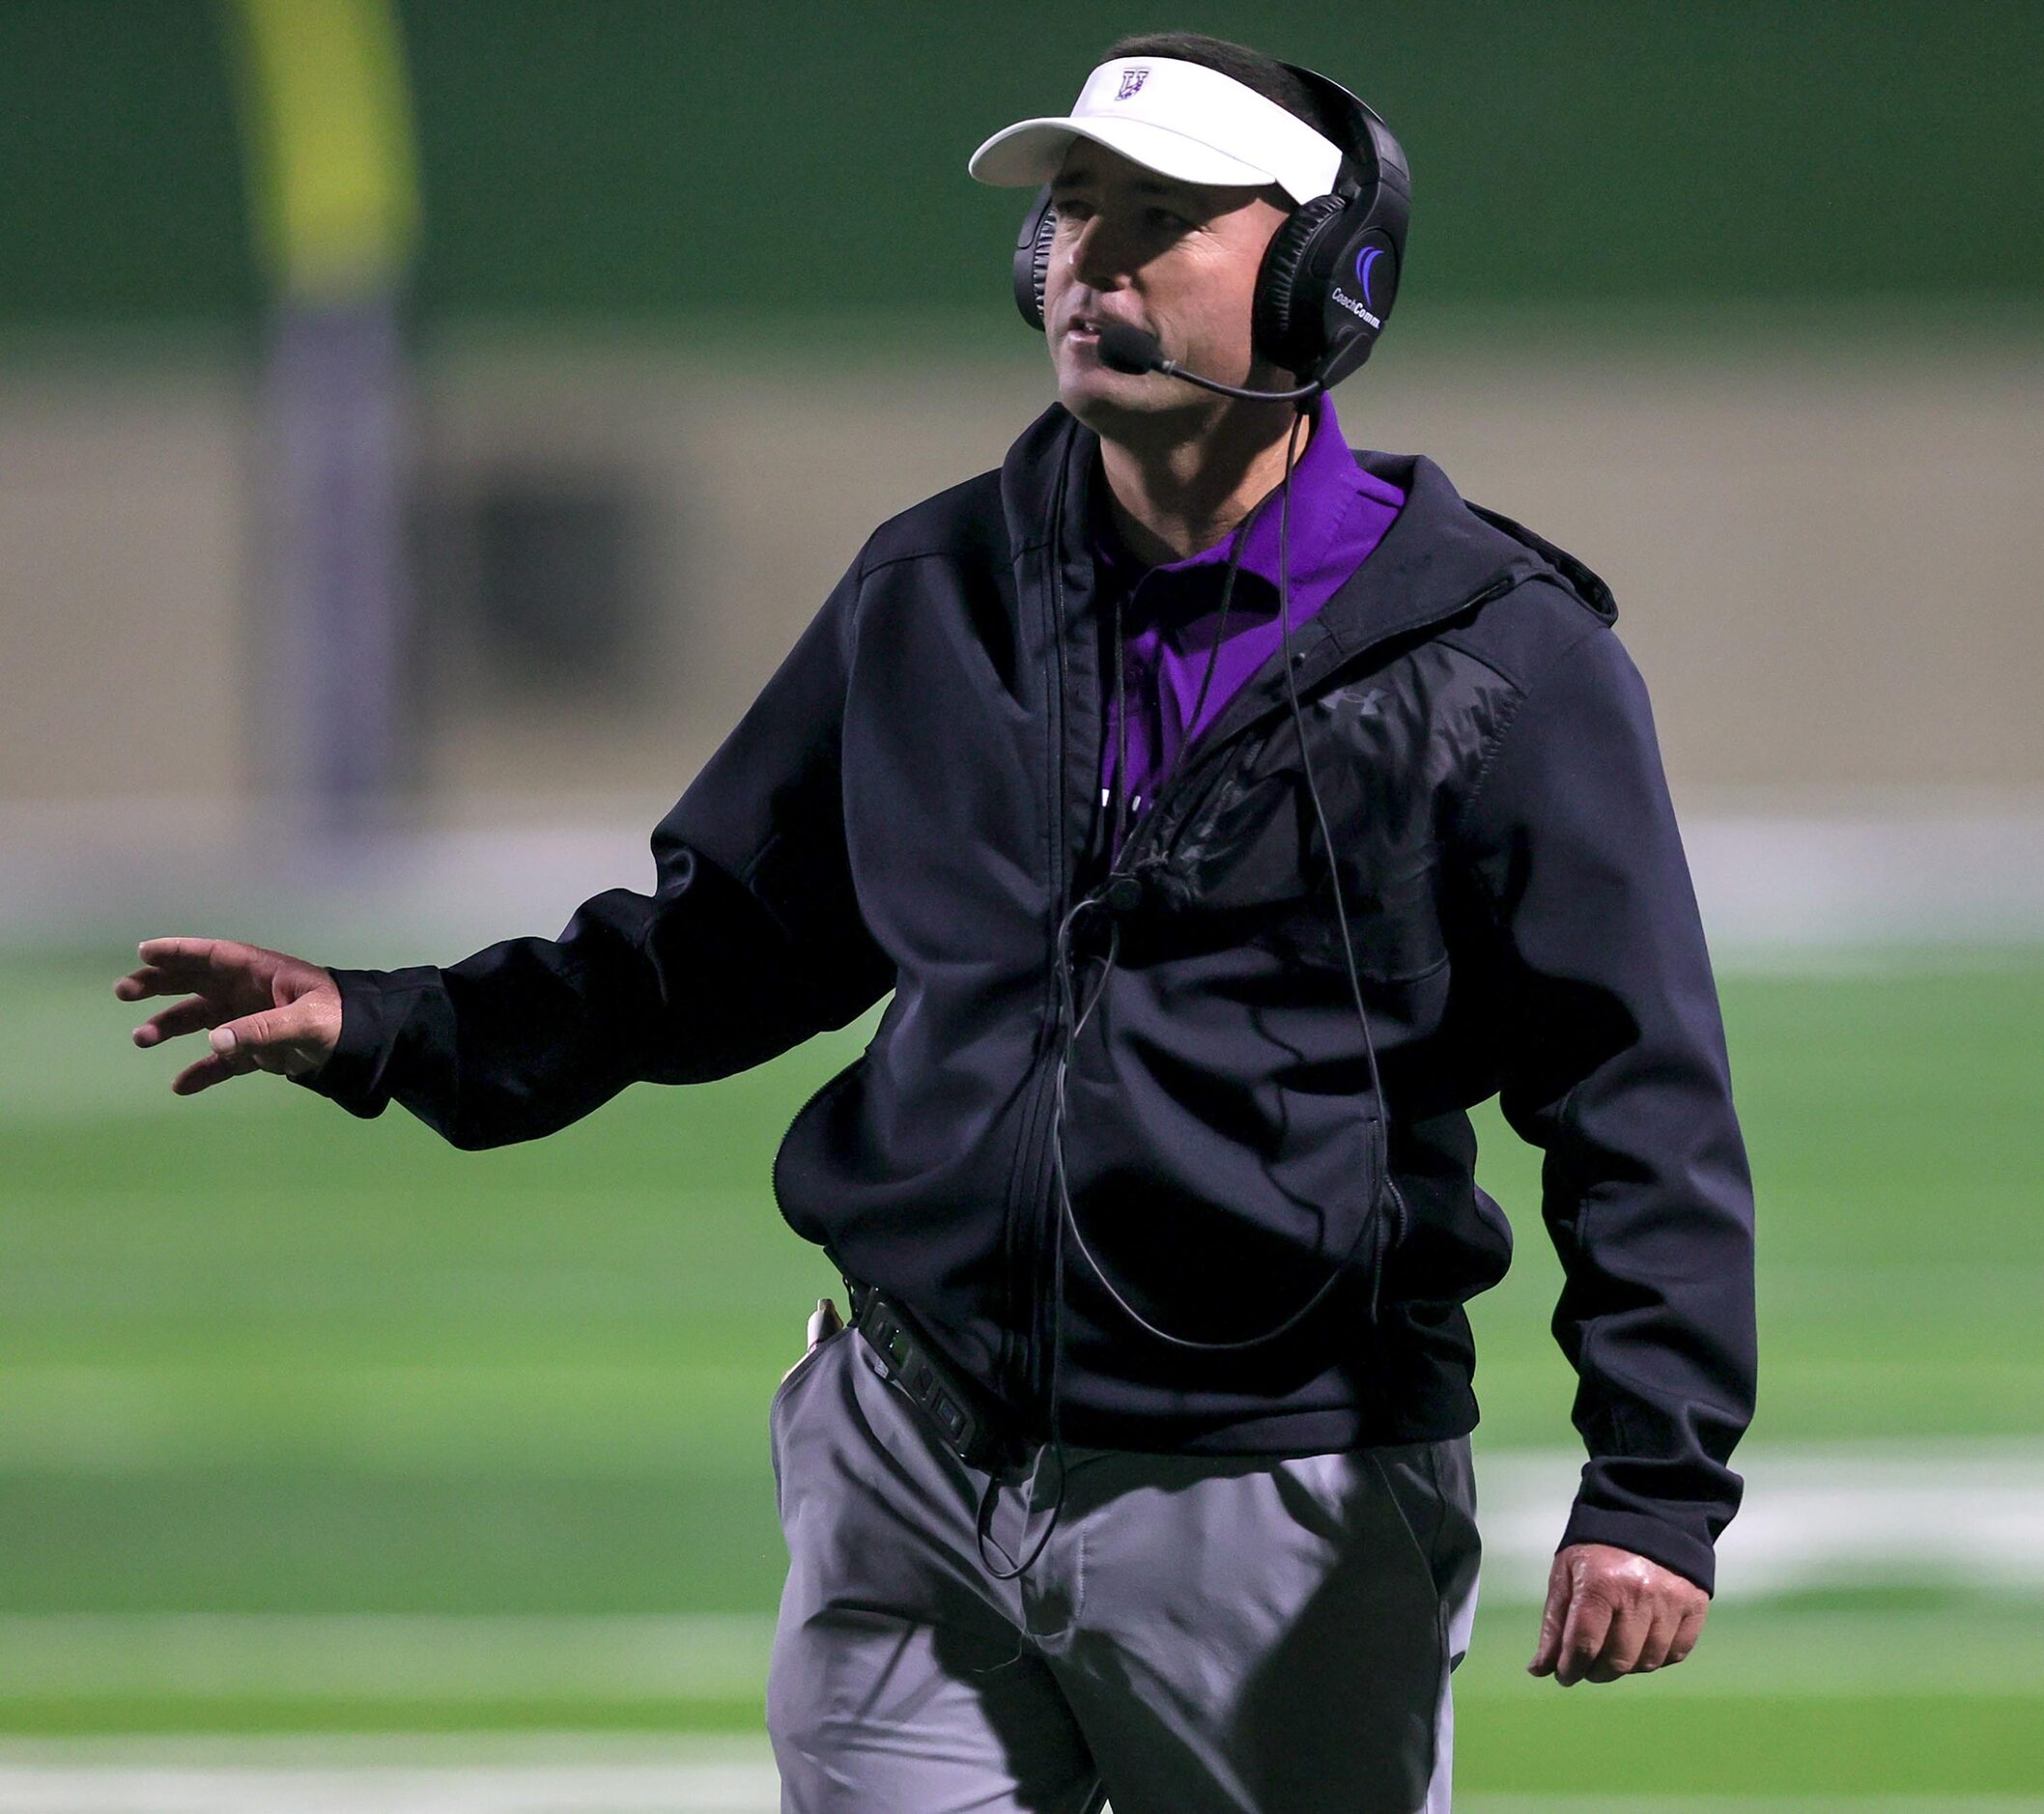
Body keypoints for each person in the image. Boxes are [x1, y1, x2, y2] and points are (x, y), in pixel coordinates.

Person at [116, 31, 1757, 1813]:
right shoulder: (930, 589)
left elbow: (1634, 1091)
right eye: (1070, 214)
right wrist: (396, 1023)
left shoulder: (1504, 660)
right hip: (906, 1451)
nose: (1093, 260)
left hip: (1272, 1496)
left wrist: (1652, 1485)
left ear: (1322, 271)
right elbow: (723, 946)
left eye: (1164, 218)